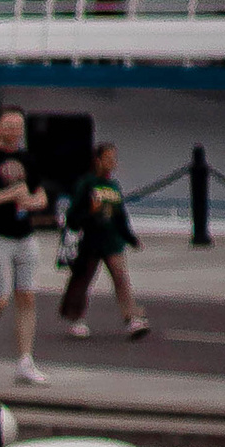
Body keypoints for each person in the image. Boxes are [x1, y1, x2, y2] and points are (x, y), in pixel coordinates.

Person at [0, 110, 52, 385]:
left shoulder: (28, 159)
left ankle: (25, 360)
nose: (14, 130)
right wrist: (8, 195)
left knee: (26, 295)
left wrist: (31, 202)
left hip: (25, 235)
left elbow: (40, 196)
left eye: (18, 126)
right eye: (9, 125)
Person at [57, 143, 150, 342]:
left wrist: (130, 237)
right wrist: (88, 215)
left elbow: (120, 216)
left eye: (113, 159)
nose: (112, 163)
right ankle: (76, 318)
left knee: (121, 278)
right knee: (84, 279)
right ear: (98, 160)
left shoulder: (113, 186)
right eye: (108, 159)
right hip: (90, 241)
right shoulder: (87, 184)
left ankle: (131, 318)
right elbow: (73, 215)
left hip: (112, 241)